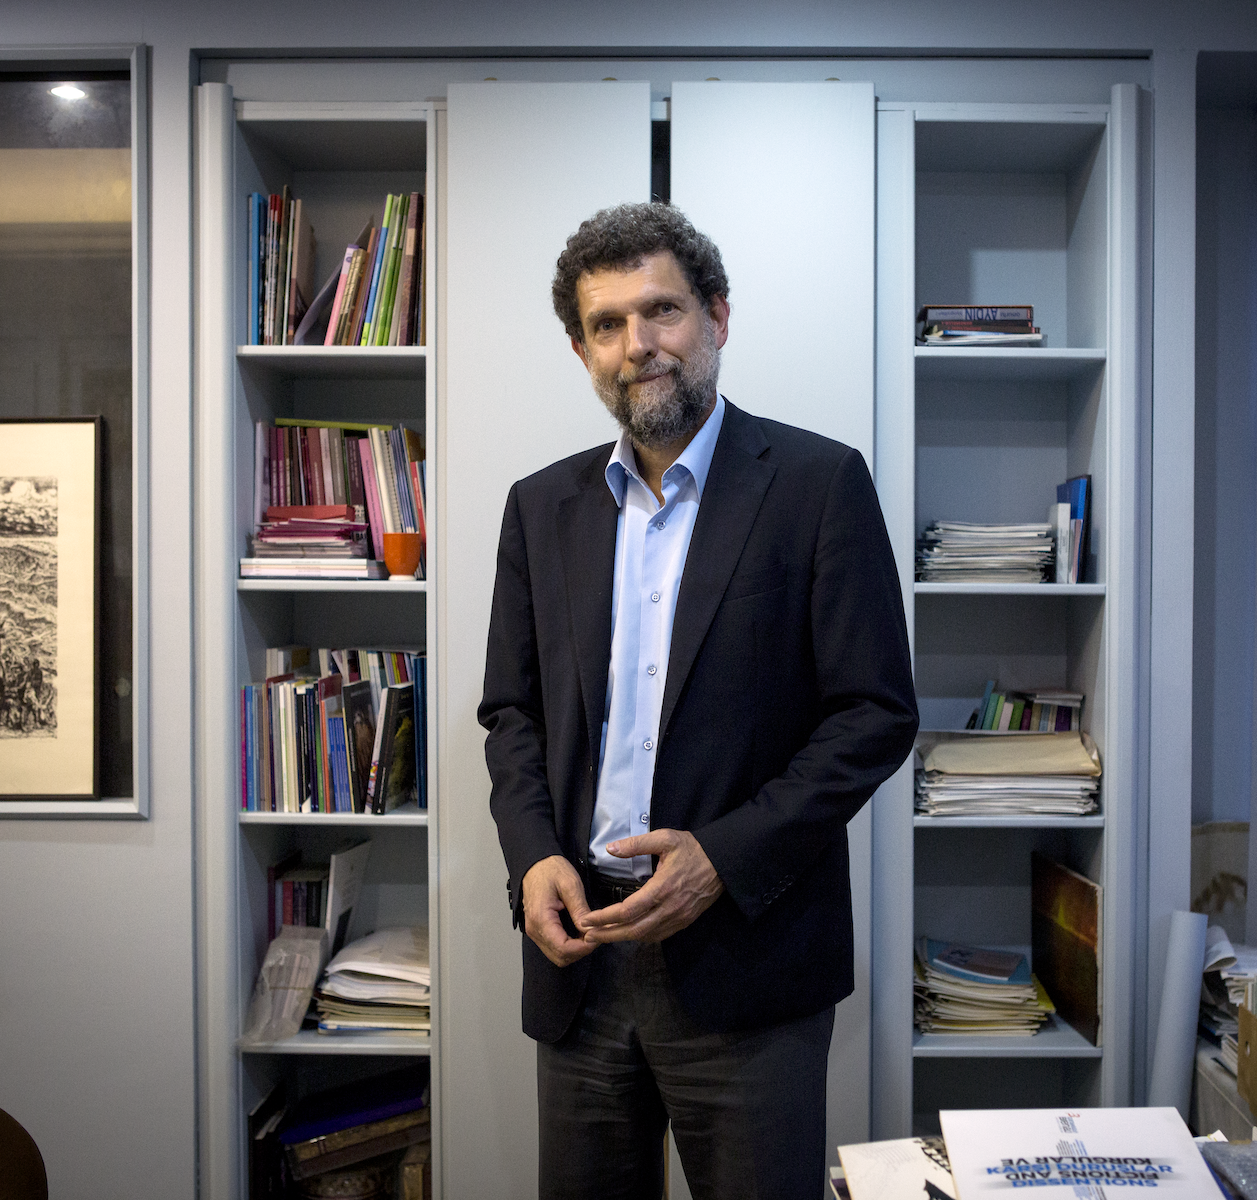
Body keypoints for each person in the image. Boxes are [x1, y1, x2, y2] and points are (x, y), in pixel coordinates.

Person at [479, 203, 918, 1200]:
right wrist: (534, 855)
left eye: (662, 310)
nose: (639, 345)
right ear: (583, 348)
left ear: (718, 318)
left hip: (748, 963)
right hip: (580, 959)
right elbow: (513, 713)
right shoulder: (539, 507)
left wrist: (723, 859)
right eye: (606, 324)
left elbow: (875, 712)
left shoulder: (818, 485)